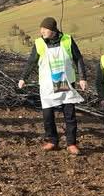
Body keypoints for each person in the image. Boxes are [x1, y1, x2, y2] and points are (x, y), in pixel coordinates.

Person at [17, 17, 88, 156]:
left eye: (45, 29)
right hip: (47, 84)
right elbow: (31, 62)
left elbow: (78, 58)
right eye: (41, 28)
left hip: (65, 81)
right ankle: (52, 141)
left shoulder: (67, 40)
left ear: (53, 30)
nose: (42, 31)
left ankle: (71, 143)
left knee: (69, 114)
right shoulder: (39, 43)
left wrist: (82, 78)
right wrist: (23, 78)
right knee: (48, 114)